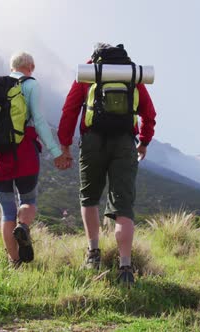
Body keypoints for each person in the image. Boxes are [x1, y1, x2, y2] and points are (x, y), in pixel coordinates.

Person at [57, 43, 157, 285]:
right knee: (123, 205)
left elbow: (69, 110)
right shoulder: (131, 75)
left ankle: (93, 254)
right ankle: (125, 267)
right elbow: (149, 113)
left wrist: (65, 145)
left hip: (92, 141)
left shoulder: (89, 74)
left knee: (89, 197)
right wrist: (143, 142)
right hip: (124, 142)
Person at [0, 51, 71, 267]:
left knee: (6, 211)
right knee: (28, 200)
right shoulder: (31, 85)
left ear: (11, 67)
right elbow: (39, 122)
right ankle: (23, 226)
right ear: (30, 66)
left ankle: (14, 262)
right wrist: (56, 151)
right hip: (23, 154)